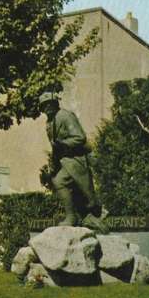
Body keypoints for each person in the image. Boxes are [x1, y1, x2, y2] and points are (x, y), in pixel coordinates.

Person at [39, 92, 105, 229]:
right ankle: (81, 216)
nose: (47, 107)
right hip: (64, 160)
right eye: (44, 105)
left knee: (60, 181)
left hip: (75, 159)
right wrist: (54, 164)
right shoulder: (50, 122)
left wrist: (63, 143)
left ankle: (72, 217)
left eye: (49, 104)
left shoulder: (64, 116)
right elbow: (55, 146)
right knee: (68, 187)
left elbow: (80, 137)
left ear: (55, 103)